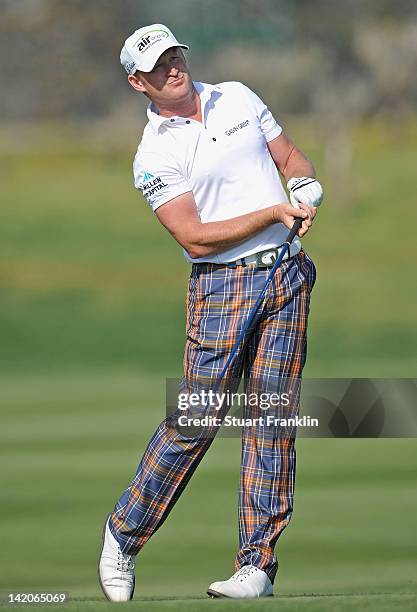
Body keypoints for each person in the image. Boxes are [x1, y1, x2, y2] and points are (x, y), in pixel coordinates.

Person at [99, 23, 323, 602]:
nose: (171, 67)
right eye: (156, 66)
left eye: (174, 55)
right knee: (198, 418)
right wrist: (274, 211)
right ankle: (123, 533)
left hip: (286, 275)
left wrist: (303, 185)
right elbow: (195, 238)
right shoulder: (155, 153)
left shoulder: (239, 97)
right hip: (221, 286)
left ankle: (257, 566)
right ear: (137, 83)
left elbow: (290, 154)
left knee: (272, 418)